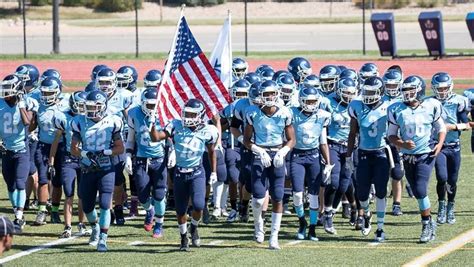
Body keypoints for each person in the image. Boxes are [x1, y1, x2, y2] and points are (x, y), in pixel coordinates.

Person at [150, 99, 219, 252]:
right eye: (186, 113)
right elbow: (155, 138)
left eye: (192, 114)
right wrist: (152, 123)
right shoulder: (176, 125)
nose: (187, 117)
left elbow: (212, 151)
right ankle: (183, 237)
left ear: (200, 116)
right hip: (180, 172)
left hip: (197, 172)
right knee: (180, 209)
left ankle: (193, 228)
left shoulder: (209, 130)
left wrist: (213, 172)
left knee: (199, 204)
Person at [387, 75, 446, 243]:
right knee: (416, 190)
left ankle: (426, 224)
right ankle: (430, 221)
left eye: (410, 90)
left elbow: (441, 128)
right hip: (408, 156)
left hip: (426, 154)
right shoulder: (396, 108)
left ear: (420, 90)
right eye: (405, 90)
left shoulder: (431, 105)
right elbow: (391, 135)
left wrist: (440, 144)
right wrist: (402, 143)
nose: (407, 93)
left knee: (420, 189)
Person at [243, 80, 295, 250]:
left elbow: (292, 139)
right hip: (260, 155)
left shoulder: (285, 112)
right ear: (261, 96)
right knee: (258, 198)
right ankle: (259, 226)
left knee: (278, 195)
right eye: (266, 94)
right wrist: (258, 150)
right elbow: (246, 140)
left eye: (272, 93)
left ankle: (274, 236)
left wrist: (283, 151)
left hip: (278, 154)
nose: (270, 97)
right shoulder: (252, 112)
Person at [71, 90, 125, 252]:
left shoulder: (113, 121)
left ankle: (103, 237)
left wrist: (105, 152)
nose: (91, 110)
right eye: (88, 106)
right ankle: (94, 226)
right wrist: (84, 153)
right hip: (87, 168)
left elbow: (120, 148)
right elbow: (73, 148)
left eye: (94, 106)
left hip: (106, 168)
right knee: (87, 205)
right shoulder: (79, 121)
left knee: (104, 204)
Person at [346, 76, 390, 242]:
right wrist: (349, 156)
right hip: (363, 153)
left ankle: (380, 228)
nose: (368, 95)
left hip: (381, 153)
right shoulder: (356, 106)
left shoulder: (388, 106)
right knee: (362, 193)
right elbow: (352, 133)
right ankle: (366, 213)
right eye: (366, 91)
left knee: (380, 191)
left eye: (371, 92)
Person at [290, 85, 332, 241]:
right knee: (297, 194)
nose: (311, 104)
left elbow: (323, 141)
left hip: (314, 156)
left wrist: (328, 163)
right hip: (297, 155)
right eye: (308, 101)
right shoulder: (292, 113)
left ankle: (312, 228)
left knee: (314, 195)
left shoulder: (322, 116)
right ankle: (302, 222)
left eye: (314, 101)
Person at [125, 87, 168, 238]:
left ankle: (159, 225)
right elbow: (130, 138)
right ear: (142, 103)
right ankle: (149, 211)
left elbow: (170, 136)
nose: (152, 108)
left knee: (159, 194)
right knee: (142, 195)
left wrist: (173, 151)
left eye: (154, 105)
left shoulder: (164, 112)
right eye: (149, 105)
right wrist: (128, 156)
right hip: (142, 159)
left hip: (159, 159)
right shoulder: (134, 113)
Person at [430, 72, 471, 225]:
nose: (442, 91)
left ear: (450, 87)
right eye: (439, 89)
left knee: (452, 181)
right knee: (442, 177)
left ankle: (450, 207)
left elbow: (467, 124)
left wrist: (452, 127)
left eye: (444, 88)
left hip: (454, 146)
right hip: (437, 145)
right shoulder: (429, 102)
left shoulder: (459, 101)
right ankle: (441, 204)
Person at [49, 90, 89, 238]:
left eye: (83, 106)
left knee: (83, 194)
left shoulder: (89, 119)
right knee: (69, 193)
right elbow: (56, 141)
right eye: (78, 105)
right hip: (69, 160)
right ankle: (67, 226)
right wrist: (51, 160)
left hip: (85, 159)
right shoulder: (63, 118)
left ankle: (81, 224)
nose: (81, 108)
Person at [323, 77, 358, 234]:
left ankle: (333, 211)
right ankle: (328, 214)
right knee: (334, 181)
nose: (348, 96)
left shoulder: (358, 104)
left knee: (345, 183)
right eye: (345, 93)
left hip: (351, 147)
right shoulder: (327, 102)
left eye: (351, 93)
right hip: (333, 144)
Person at [31, 77, 67, 225]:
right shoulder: (37, 104)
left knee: (58, 181)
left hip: (62, 146)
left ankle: (54, 211)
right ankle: (42, 211)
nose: (46, 96)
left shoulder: (65, 105)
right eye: (44, 93)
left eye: (49, 93)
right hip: (43, 146)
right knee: (44, 178)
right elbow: (31, 125)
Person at [0, 74, 32, 232]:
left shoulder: (26, 102)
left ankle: (19, 217)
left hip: (21, 150)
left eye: (9, 89)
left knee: (20, 183)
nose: (6, 92)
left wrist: (20, 105)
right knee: (10, 185)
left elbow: (27, 123)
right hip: (6, 150)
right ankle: (17, 212)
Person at [382, 68, 406, 216]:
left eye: (394, 85)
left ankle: (397, 203)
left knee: (397, 173)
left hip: (397, 140)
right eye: (388, 85)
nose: (391, 88)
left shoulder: (404, 99)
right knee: (381, 173)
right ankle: (382, 199)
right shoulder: (378, 97)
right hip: (379, 140)